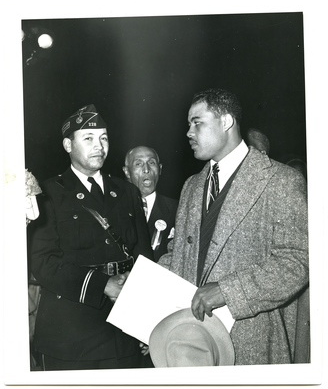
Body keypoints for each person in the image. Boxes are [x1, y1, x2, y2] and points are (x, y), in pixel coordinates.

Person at [158, 88, 309, 365]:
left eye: (197, 122)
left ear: (226, 122)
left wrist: (228, 291)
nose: (189, 132)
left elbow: (298, 261)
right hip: (191, 343)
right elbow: (180, 252)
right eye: (188, 124)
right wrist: (146, 284)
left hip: (251, 343)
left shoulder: (281, 181)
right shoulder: (191, 186)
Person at [30, 104, 153, 371]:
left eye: (104, 138)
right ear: (67, 145)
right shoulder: (47, 194)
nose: (99, 146)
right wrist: (103, 285)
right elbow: (43, 263)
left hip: (124, 332)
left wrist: (148, 322)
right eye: (88, 138)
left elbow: (144, 258)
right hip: (71, 336)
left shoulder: (127, 192)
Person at [122, 146, 178, 262]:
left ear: (160, 169)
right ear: (127, 172)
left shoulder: (177, 209)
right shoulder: (116, 207)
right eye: (138, 164)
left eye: (152, 163)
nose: (146, 169)